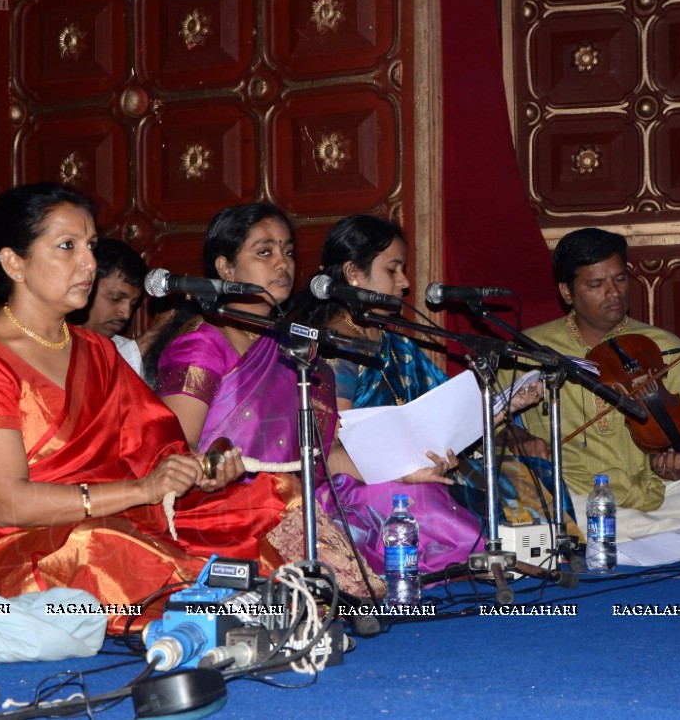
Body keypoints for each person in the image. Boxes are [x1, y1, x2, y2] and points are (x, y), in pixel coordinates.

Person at [0, 183, 286, 624]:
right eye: (67, 246)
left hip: (116, 515)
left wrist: (199, 472)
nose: (89, 264)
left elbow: (154, 447)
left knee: (264, 501)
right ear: (13, 263)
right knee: (100, 545)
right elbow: (7, 504)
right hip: (21, 543)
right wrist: (142, 490)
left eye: (91, 246)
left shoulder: (96, 350)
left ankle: (241, 607)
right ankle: (222, 613)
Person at [155, 206, 462, 581]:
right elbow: (172, 449)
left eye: (287, 251)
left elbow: (322, 457)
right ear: (225, 268)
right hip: (223, 505)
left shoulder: (297, 347)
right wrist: (212, 469)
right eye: (264, 252)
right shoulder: (202, 344)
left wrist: (400, 469)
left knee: (416, 498)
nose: (282, 263)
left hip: (298, 497)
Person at [292, 214, 558, 574]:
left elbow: (447, 420)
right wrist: (403, 471)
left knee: (525, 475)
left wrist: (506, 404)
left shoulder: (395, 343)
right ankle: (491, 560)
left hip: (413, 472)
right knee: (423, 498)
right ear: (355, 274)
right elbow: (328, 454)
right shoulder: (334, 347)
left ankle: (516, 555)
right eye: (393, 269)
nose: (404, 282)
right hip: (358, 486)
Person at [519, 228, 680, 541]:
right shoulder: (532, 349)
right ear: (567, 292)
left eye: (619, 279)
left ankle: (647, 533)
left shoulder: (663, 347)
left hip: (649, 495)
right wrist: (519, 437)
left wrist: (670, 463)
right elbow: (493, 426)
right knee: (554, 508)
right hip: (573, 492)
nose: (614, 292)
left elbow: (668, 438)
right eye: (596, 284)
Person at [68, 237, 151, 379]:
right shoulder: (51, 345)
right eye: (115, 298)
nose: (126, 313)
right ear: (85, 286)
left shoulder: (124, 347)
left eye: (133, 304)